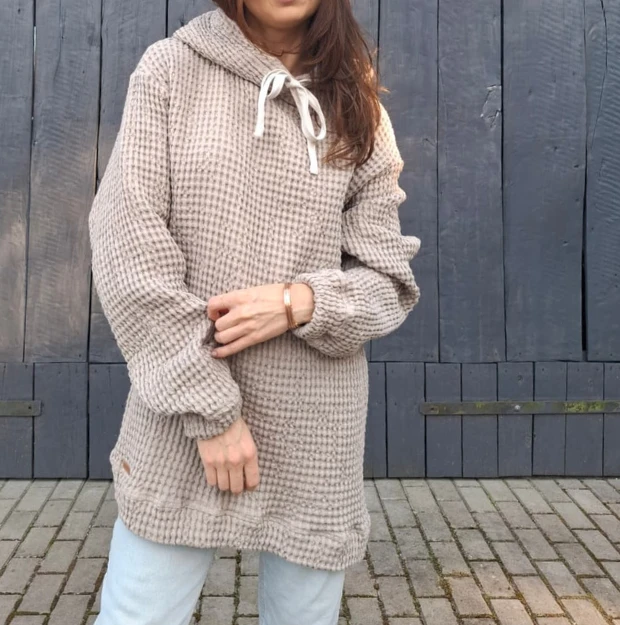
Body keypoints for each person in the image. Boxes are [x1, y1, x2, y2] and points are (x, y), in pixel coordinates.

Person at [88, 0, 421, 622]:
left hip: (315, 428)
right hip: (181, 419)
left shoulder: (356, 102)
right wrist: (210, 413)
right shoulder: (169, 71)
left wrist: (300, 303)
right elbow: (129, 251)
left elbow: (387, 281)